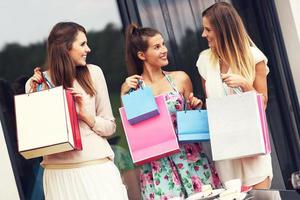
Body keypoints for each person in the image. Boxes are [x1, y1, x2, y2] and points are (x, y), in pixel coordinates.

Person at [26, 22, 128, 200]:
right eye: (82, 44)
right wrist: (35, 94)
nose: (88, 49)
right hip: (59, 175)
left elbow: (110, 127)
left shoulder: (93, 73)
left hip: (96, 169)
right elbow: (36, 136)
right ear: (66, 48)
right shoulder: (37, 83)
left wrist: (85, 116)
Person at [121, 24, 221, 199]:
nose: (164, 50)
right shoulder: (133, 90)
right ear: (141, 55)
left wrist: (195, 107)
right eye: (157, 47)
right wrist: (124, 94)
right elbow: (134, 132)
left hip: (190, 158)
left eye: (163, 44)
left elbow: (192, 121)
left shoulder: (180, 78)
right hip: (158, 167)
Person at [196, 2, 273, 189]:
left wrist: (245, 85)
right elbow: (210, 104)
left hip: (252, 145)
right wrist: (197, 105)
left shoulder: (254, 57)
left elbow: (262, 105)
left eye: (208, 29)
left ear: (223, 30)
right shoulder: (205, 60)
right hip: (226, 149)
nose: (203, 34)